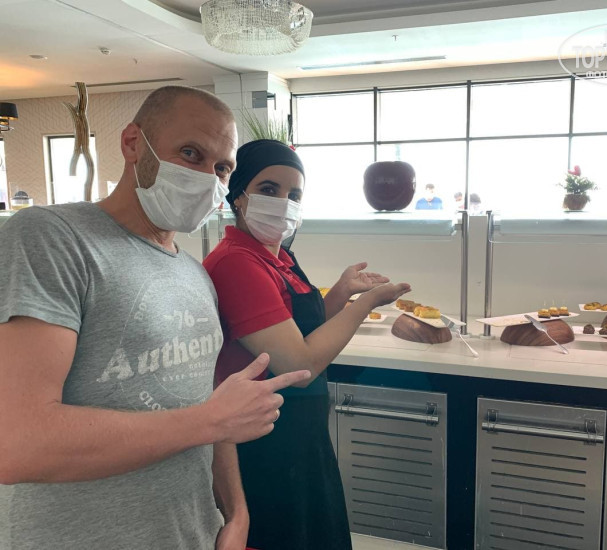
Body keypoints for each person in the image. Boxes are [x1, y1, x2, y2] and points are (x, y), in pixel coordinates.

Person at [0, 86, 310, 550]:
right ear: (132, 143)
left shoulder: (194, 274)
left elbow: (213, 409)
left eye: (222, 168)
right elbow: (18, 443)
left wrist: (235, 512)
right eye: (190, 153)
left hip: (193, 532)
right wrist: (207, 421)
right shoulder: (52, 238)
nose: (207, 177)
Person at [203, 139, 411, 550]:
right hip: (265, 441)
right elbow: (297, 365)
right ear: (238, 195)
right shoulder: (237, 263)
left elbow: (299, 330)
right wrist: (366, 304)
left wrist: (342, 293)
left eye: (294, 194)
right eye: (269, 189)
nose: (284, 202)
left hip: (301, 434)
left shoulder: (277, 255)